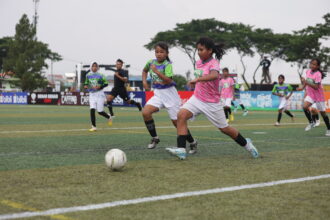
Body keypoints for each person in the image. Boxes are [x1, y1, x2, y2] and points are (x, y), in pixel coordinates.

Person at [166, 37, 259, 160]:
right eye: (197, 50)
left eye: (201, 50)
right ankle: (181, 149)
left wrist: (198, 79)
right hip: (197, 98)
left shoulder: (214, 63)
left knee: (225, 129)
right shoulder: (198, 63)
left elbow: (214, 75)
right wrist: (196, 83)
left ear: (210, 51)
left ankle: (248, 145)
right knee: (181, 115)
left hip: (211, 103)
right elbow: (201, 78)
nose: (199, 52)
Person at [142, 42, 197, 151]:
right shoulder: (151, 62)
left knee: (177, 124)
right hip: (158, 94)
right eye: (157, 52)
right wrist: (144, 82)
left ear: (167, 53)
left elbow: (168, 80)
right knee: (145, 112)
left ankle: (192, 142)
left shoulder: (167, 64)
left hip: (170, 96)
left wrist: (156, 71)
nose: (159, 54)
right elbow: (144, 71)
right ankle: (155, 137)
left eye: (162, 52)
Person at [301, 58, 330, 136]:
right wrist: (302, 87)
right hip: (311, 95)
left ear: (317, 66)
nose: (312, 65)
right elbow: (306, 82)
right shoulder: (308, 71)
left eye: (314, 64)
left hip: (318, 96)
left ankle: (328, 129)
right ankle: (311, 122)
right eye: (311, 64)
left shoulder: (318, 74)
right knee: (304, 107)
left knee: (323, 113)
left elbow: (316, 87)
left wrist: (306, 82)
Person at [84, 61, 112, 132]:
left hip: (100, 94)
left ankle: (109, 116)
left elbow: (106, 84)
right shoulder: (88, 75)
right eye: (93, 66)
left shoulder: (101, 75)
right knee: (92, 109)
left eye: (96, 66)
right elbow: (86, 84)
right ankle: (94, 127)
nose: (94, 67)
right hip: (92, 95)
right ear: (91, 67)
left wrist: (99, 87)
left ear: (98, 67)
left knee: (100, 111)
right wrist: (86, 86)